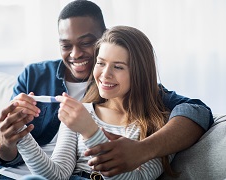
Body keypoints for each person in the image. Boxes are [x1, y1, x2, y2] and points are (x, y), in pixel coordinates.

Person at [0, 0, 212, 179]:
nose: (76, 54)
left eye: (86, 43)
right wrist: (14, 134)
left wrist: (132, 145)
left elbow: (198, 111)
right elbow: (13, 154)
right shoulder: (35, 76)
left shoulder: (149, 112)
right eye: (66, 45)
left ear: (102, 37)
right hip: (0, 171)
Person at [16, 25, 179, 180]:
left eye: (118, 67)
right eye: (100, 63)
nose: (105, 74)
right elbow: (55, 175)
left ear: (139, 73)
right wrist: (20, 132)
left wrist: (91, 133)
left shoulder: (159, 127)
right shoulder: (82, 112)